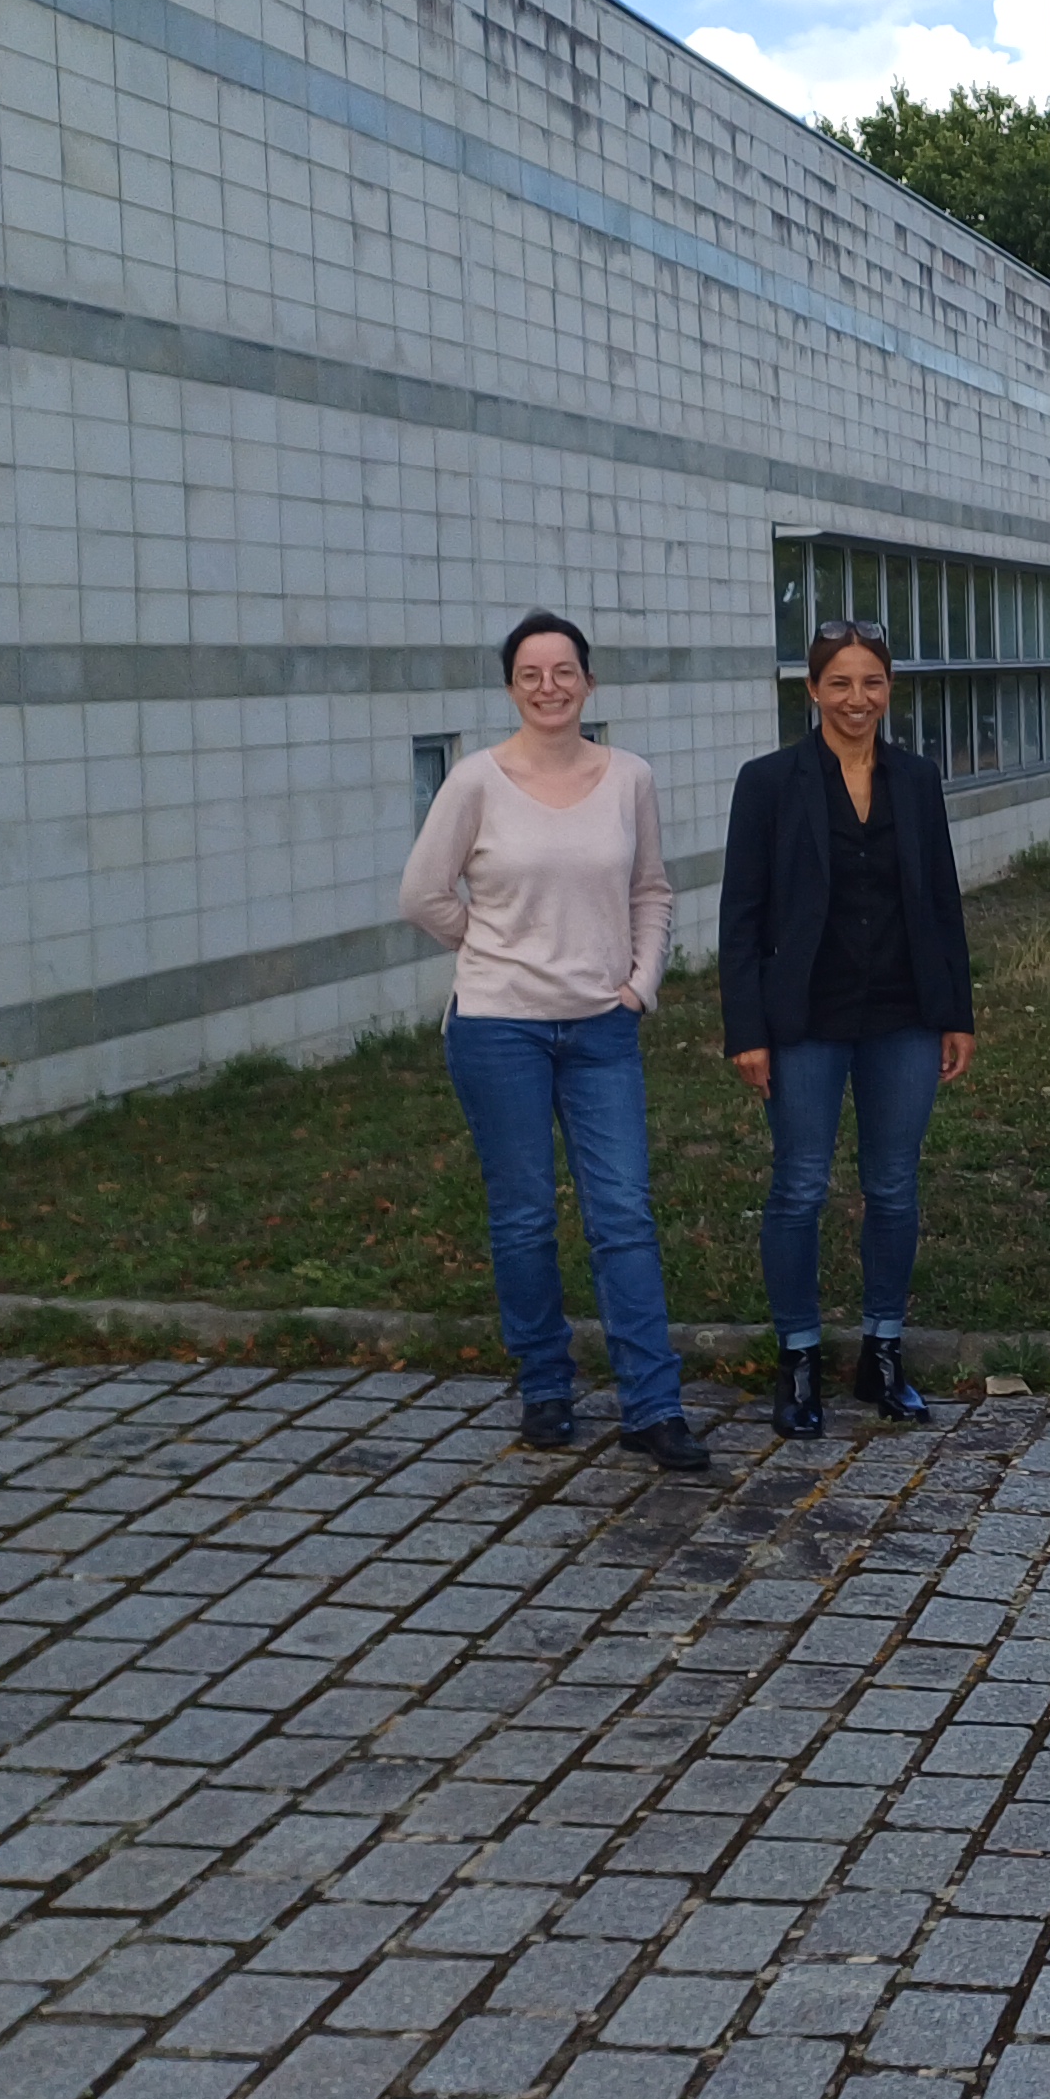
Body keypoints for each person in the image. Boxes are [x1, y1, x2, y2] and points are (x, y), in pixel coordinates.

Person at [400, 609, 695, 1467]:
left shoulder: (628, 776)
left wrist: (640, 983)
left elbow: (651, 890)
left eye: (564, 672)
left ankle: (653, 1405)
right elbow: (423, 894)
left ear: (588, 683)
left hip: (603, 1028)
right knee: (524, 1218)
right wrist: (493, 948)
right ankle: (546, 1391)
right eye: (531, 675)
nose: (549, 688)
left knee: (624, 1217)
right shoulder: (474, 783)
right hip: (498, 1031)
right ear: (510, 688)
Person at [716, 620, 981, 1438]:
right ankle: (798, 1355)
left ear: (889, 689)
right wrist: (746, 1030)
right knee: (799, 1185)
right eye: (840, 683)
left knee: (892, 1187)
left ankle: (883, 1351)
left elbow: (940, 898)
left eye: (871, 683)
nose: (856, 699)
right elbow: (742, 913)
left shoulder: (917, 778)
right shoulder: (768, 783)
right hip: (804, 1020)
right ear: (812, 690)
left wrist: (955, 1011)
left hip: (902, 1011)